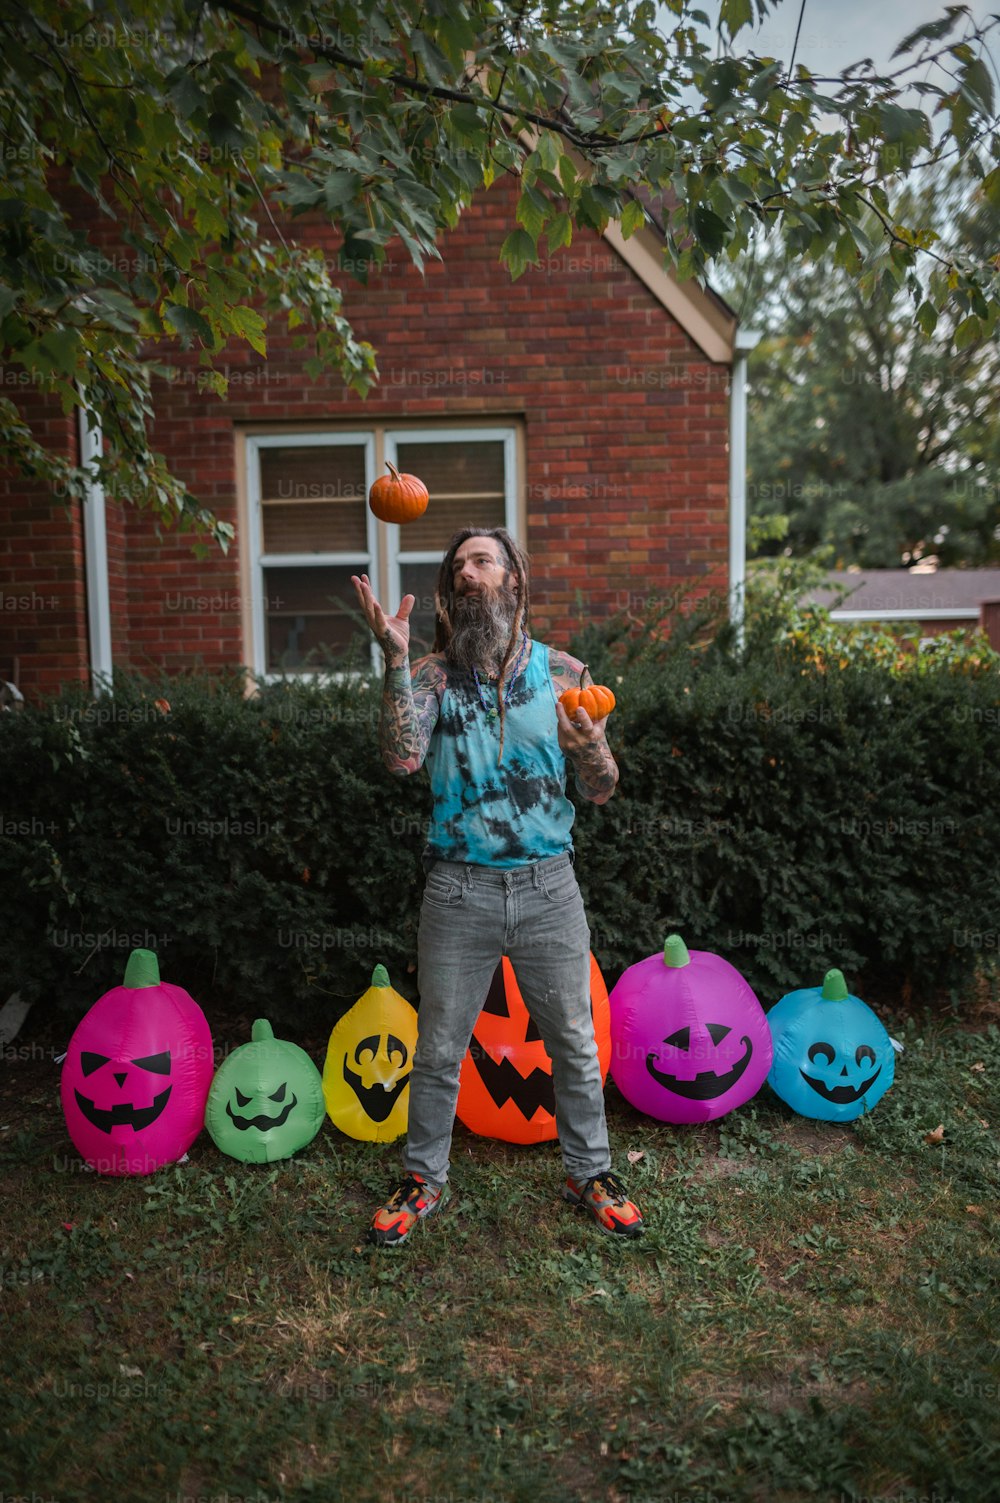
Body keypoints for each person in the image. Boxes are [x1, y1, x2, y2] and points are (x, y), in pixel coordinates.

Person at [351, 528, 643, 1247]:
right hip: (459, 890)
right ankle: (425, 1178)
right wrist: (393, 659)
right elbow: (400, 758)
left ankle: (589, 1172)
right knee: (441, 1046)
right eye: (458, 568)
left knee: (574, 1039)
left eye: (482, 561)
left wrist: (596, 750)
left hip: (550, 886)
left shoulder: (567, 672)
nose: (468, 574)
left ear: (516, 577)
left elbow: (602, 788)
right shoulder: (432, 677)